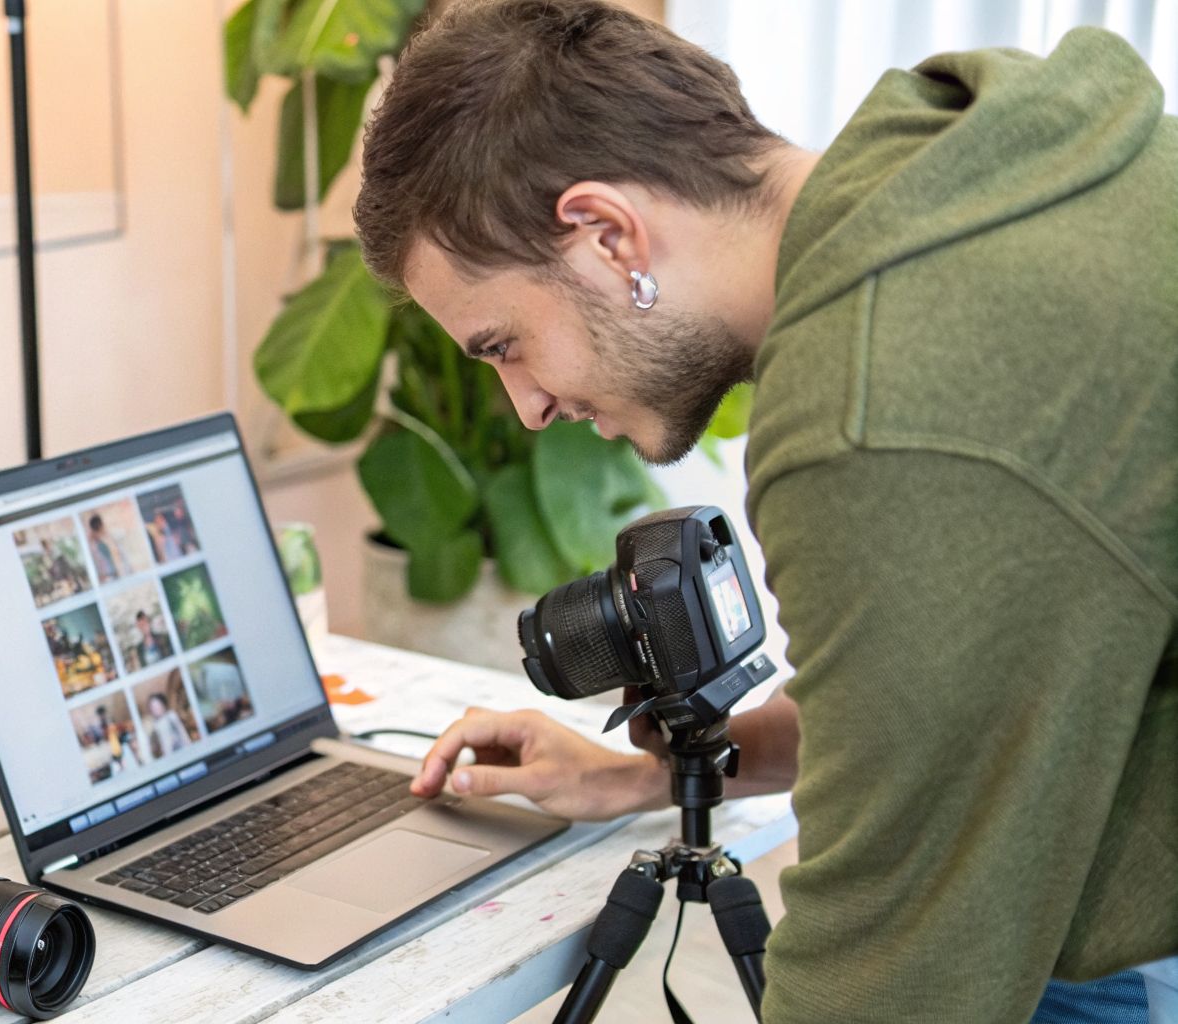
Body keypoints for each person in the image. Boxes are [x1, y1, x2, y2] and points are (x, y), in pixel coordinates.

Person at [354, 3, 1177, 1021]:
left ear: (606, 234)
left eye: (500, 344)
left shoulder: (879, 399)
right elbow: (941, 716)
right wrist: (641, 778)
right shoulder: (961, 168)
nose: (523, 409)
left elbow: (887, 968)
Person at [86, 512, 132, 581]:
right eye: (104, 524)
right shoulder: (103, 540)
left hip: (113, 574)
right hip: (115, 574)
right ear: (101, 525)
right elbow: (115, 555)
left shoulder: (97, 542)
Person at [146, 691, 193, 758]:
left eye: (157, 705)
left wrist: (189, 746)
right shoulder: (155, 725)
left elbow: (182, 733)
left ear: (162, 705)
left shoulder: (171, 716)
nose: (155, 709)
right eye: (153, 707)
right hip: (168, 756)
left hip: (182, 751)